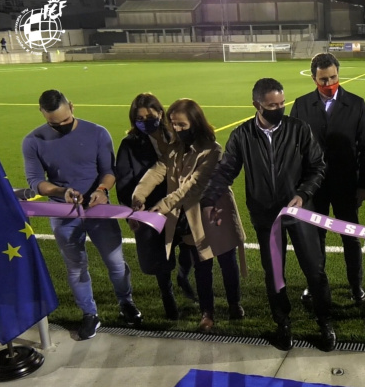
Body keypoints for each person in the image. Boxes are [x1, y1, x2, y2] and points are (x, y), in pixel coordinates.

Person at [201, 78, 335, 352]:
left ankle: (325, 322)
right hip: (265, 217)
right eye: (272, 105)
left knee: (315, 270)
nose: (279, 109)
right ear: (257, 105)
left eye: (282, 103)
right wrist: (209, 199)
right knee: (274, 273)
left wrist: (303, 194)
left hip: (300, 213)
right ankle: (282, 323)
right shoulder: (241, 135)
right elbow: (226, 171)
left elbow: (318, 166)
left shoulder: (299, 129)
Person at [22, 89, 142, 340]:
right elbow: (35, 181)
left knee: (116, 263)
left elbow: (108, 171)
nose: (61, 126)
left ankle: (126, 303)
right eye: (54, 124)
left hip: (99, 210)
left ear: (72, 106)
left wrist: (101, 190)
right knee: (76, 267)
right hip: (63, 213)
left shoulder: (97, 133)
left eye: (65, 120)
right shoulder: (32, 141)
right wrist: (61, 191)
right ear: (42, 113)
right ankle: (89, 314)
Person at [132, 99, 246, 332]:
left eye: (182, 125)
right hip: (193, 219)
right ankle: (207, 313)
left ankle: (234, 303)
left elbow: (193, 186)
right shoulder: (174, 149)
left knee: (227, 262)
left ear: (195, 122)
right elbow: (157, 171)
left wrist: (163, 205)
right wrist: (138, 195)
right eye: (173, 124)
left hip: (216, 214)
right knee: (202, 267)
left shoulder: (213, 150)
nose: (177, 129)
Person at [289, 52, 365, 305]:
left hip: (346, 185)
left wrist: (364, 184)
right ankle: (316, 286)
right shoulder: (301, 105)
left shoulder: (356, 104)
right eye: (323, 79)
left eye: (333, 77)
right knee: (315, 238)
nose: (329, 83)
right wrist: (299, 188)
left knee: (350, 237)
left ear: (338, 74)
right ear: (313, 78)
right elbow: (294, 148)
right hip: (313, 187)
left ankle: (356, 286)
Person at [115, 93, 196, 320]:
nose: (145, 122)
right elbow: (124, 182)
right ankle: (167, 296)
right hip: (151, 211)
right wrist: (132, 212)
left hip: (181, 206)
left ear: (160, 113)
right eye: (139, 118)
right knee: (161, 259)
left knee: (190, 247)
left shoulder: (175, 136)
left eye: (149, 117)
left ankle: (183, 276)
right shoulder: (129, 144)